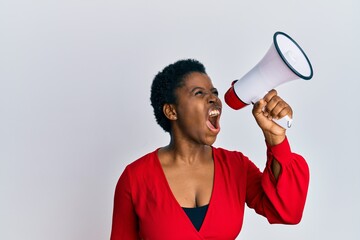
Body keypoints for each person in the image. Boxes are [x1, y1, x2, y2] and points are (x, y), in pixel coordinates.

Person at [110, 59, 309, 239]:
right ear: (171, 111)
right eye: (199, 93)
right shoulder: (135, 178)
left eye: (214, 93)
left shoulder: (236, 166)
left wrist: (276, 138)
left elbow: (287, 211)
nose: (214, 98)